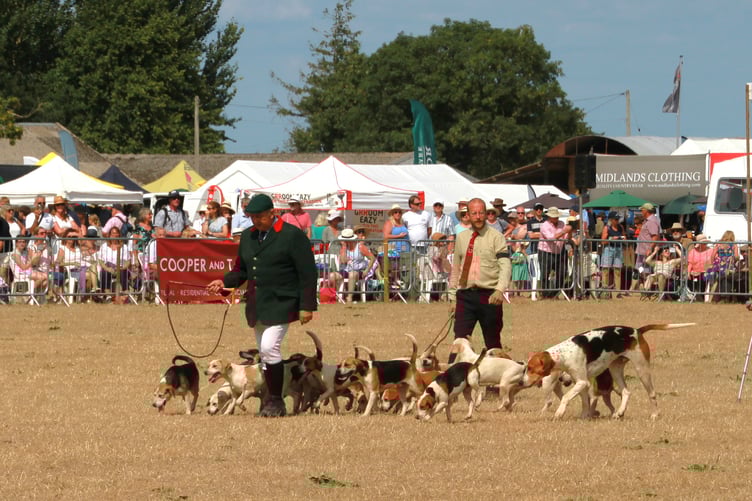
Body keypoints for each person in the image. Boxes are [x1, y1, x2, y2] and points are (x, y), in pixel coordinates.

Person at [207, 194, 317, 418]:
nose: (255, 221)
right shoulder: (248, 236)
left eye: (259, 217)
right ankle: (269, 399)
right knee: (266, 356)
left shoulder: (292, 235)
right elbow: (242, 270)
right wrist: (225, 282)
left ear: (272, 213)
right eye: (251, 217)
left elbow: (308, 273)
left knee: (268, 348)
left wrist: (307, 306)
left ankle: (276, 401)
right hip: (258, 303)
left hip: (283, 301)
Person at [447, 198, 512, 360]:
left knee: (493, 343)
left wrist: (499, 290)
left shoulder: (497, 237)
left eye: (481, 213)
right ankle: (453, 382)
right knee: (459, 342)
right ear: (467, 215)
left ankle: (495, 383)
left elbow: (505, 266)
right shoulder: (461, 238)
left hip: (490, 296)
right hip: (465, 295)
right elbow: (456, 268)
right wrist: (452, 296)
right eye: (474, 213)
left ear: (486, 214)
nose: (477, 216)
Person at [538, 207, 570, 299]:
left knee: (562, 272)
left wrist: (570, 231)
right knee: (545, 273)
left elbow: (566, 237)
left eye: (557, 217)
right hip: (545, 252)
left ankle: (554, 293)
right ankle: (545, 294)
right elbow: (550, 238)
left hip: (559, 252)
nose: (556, 218)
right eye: (554, 217)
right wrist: (564, 231)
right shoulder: (544, 225)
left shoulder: (562, 224)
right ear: (549, 217)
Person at [338, 228, 376, 303]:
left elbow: (372, 258)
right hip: (346, 270)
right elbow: (343, 260)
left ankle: (349, 298)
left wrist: (367, 270)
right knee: (332, 276)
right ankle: (337, 296)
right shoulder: (344, 247)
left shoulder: (360, 247)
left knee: (352, 274)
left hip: (358, 271)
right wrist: (344, 247)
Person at [600, 211, 626, 298]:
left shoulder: (620, 227)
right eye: (616, 219)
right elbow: (603, 241)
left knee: (617, 271)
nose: (617, 221)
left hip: (618, 249)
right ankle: (605, 290)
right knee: (606, 270)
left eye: (618, 219)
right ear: (611, 220)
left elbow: (624, 236)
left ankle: (618, 292)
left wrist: (624, 239)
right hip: (609, 249)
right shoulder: (607, 228)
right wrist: (611, 238)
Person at [504, 212, 529, 295]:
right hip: (509, 253)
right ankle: (510, 292)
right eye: (510, 219)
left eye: (513, 219)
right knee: (510, 273)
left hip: (518, 253)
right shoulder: (507, 229)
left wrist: (514, 238)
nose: (512, 221)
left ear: (517, 219)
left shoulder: (522, 228)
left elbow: (521, 239)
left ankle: (518, 292)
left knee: (519, 274)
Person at [526, 202, 546, 300]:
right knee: (535, 273)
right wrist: (543, 234)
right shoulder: (530, 222)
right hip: (534, 250)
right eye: (537, 208)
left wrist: (537, 234)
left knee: (543, 272)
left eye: (541, 208)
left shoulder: (546, 221)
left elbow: (549, 233)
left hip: (546, 249)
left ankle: (543, 293)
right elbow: (531, 235)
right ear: (534, 210)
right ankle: (534, 294)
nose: (539, 210)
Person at [687, 234, 713, 301]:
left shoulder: (711, 251)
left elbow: (714, 262)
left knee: (703, 278)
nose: (705, 244)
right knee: (689, 279)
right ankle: (694, 296)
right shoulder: (693, 251)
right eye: (703, 243)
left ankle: (700, 296)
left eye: (705, 243)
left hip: (707, 272)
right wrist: (688, 272)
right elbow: (690, 263)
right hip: (694, 272)